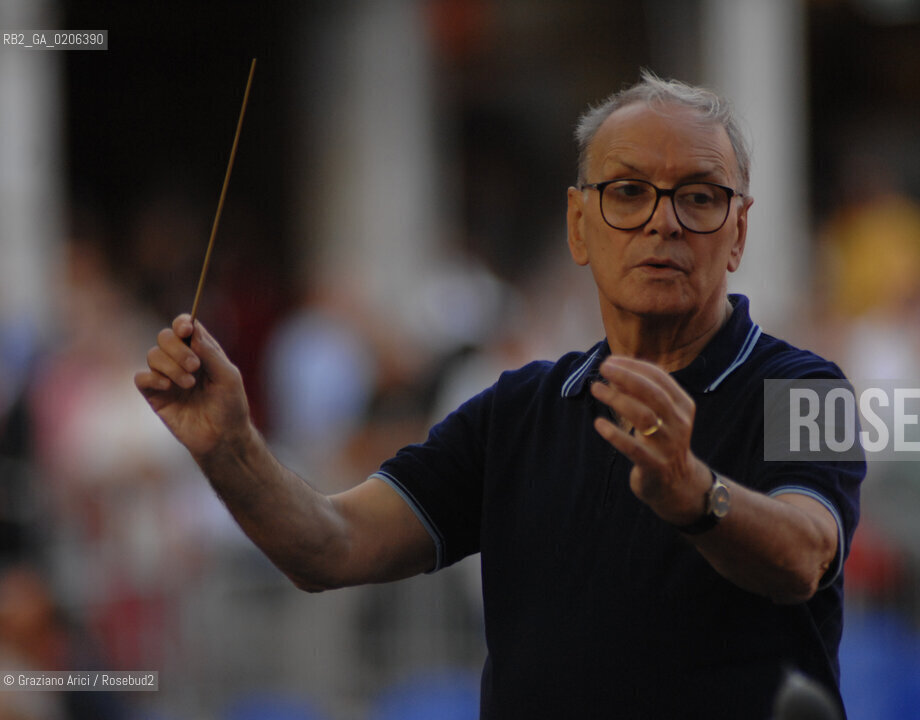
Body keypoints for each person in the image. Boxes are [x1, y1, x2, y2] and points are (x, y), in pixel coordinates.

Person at [135, 71, 863, 718]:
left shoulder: (811, 388)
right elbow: (331, 545)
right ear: (579, 225)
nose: (662, 221)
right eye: (629, 192)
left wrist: (695, 494)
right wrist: (227, 447)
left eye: (699, 198)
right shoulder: (516, 412)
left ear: (737, 233)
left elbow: (805, 555)